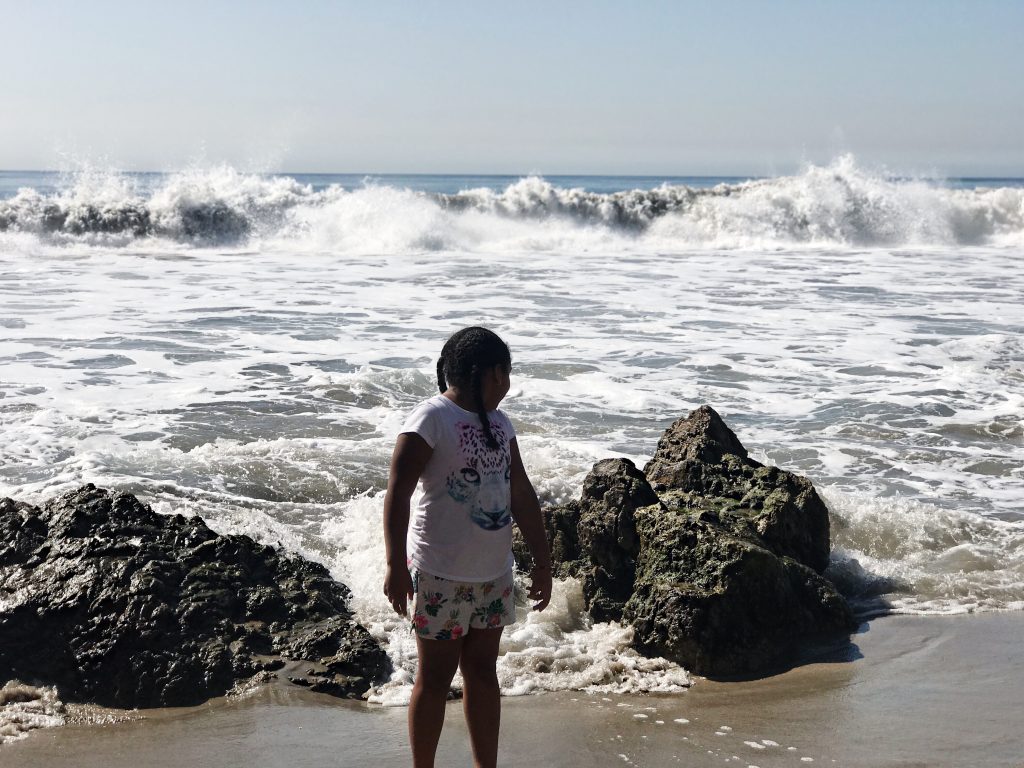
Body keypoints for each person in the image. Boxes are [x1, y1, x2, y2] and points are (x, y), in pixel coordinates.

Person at [383, 326, 553, 768]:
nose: (508, 383)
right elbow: (398, 492)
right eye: (506, 373)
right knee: (435, 678)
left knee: (483, 673)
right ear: (489, 374)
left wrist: (542, 558)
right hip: (440, 572)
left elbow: (520, 492)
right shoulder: (431, 418)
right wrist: (394, 567)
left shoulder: (500, 424)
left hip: (493, 574)